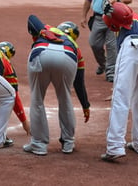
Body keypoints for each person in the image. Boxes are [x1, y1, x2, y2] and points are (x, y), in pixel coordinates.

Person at [100, 2, 138, 162]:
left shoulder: (121, 29)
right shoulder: (135, 18)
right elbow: (119, 8)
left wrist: (116, 90)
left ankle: (114, 147)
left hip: (133, 46)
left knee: (120, 98)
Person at [23, 15, 90, 156]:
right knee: (65, 98)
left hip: (40, 52)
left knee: (37, 99)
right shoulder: (75, 46)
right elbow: (79, 82)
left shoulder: (47, 28)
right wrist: (85, 105)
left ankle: (38, 144)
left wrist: (42, 30)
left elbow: (32, 18)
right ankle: (68, 143)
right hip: (68, 56)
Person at [80, 0, 132, 82]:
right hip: (98, 17)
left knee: (111, 45)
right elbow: (88, 0)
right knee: (94, 43)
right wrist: (83, 16)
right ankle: (103, 64)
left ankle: (110, 72)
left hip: (114, 18)